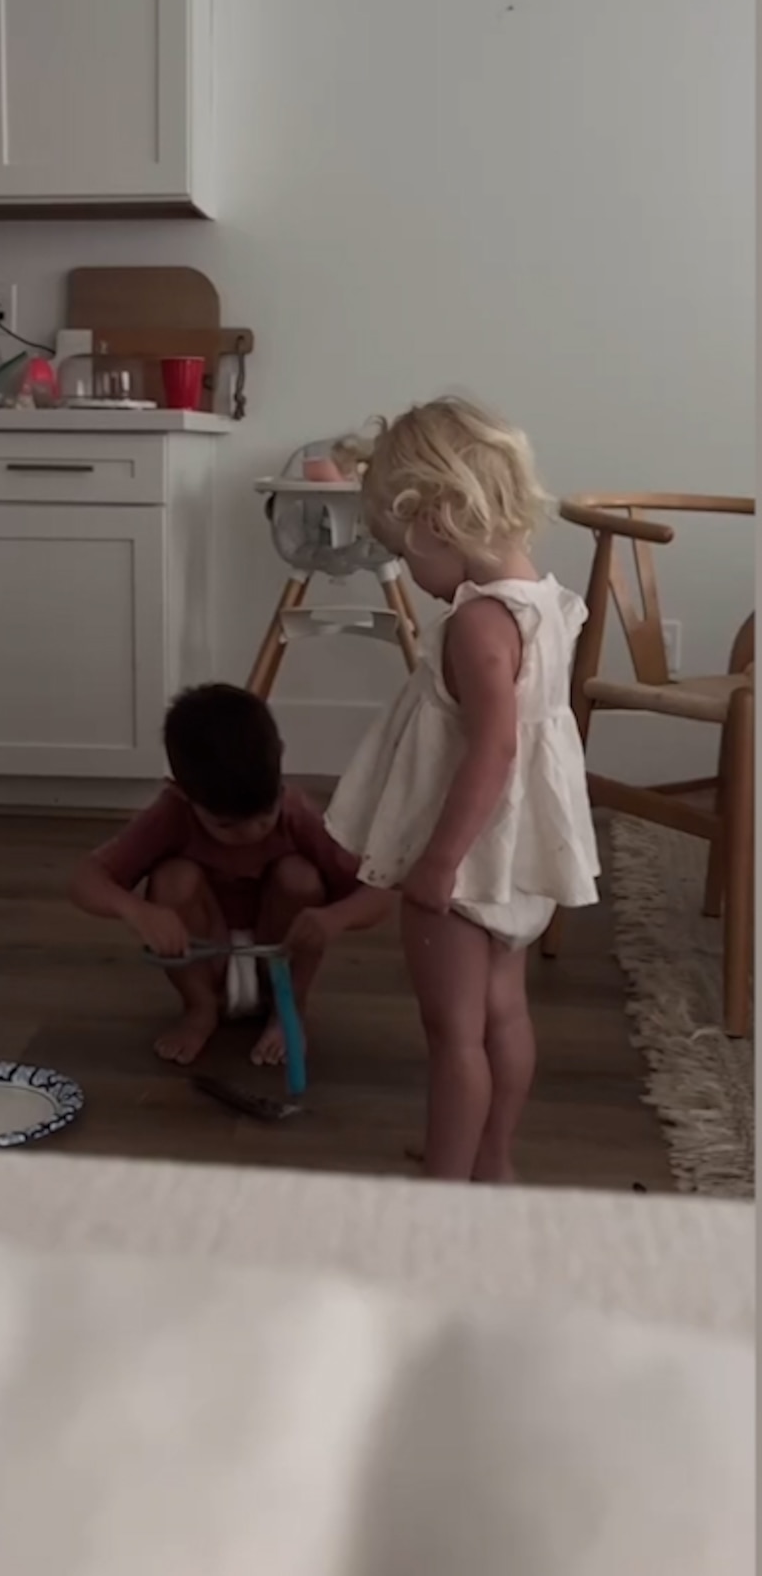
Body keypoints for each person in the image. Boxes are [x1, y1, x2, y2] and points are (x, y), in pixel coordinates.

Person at [326, 397, 599, 1183]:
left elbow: (495, 747)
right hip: (516, 857)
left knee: (454, 1035)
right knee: (503, 1015)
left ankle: (444, 1191)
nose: (408, 573)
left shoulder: (480, 624)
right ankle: (493, 1161)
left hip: (467, 861)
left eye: (402, 553)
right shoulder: (543, 601)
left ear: (434, 525)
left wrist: (437, 863)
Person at [71, 684, 393, 1068]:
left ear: (281, 765)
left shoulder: (295, 812)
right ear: (182, 792)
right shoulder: (173, 814)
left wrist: (334, 918)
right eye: (226, 825)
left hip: (281, 949)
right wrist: (137, 911)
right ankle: (200, 1009)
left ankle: (288, 1012)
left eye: (264, 815)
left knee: (300, 876)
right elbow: (84, 879)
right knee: (174, 878)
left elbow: (380, 891)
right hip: (207, 953)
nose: (252, 832)